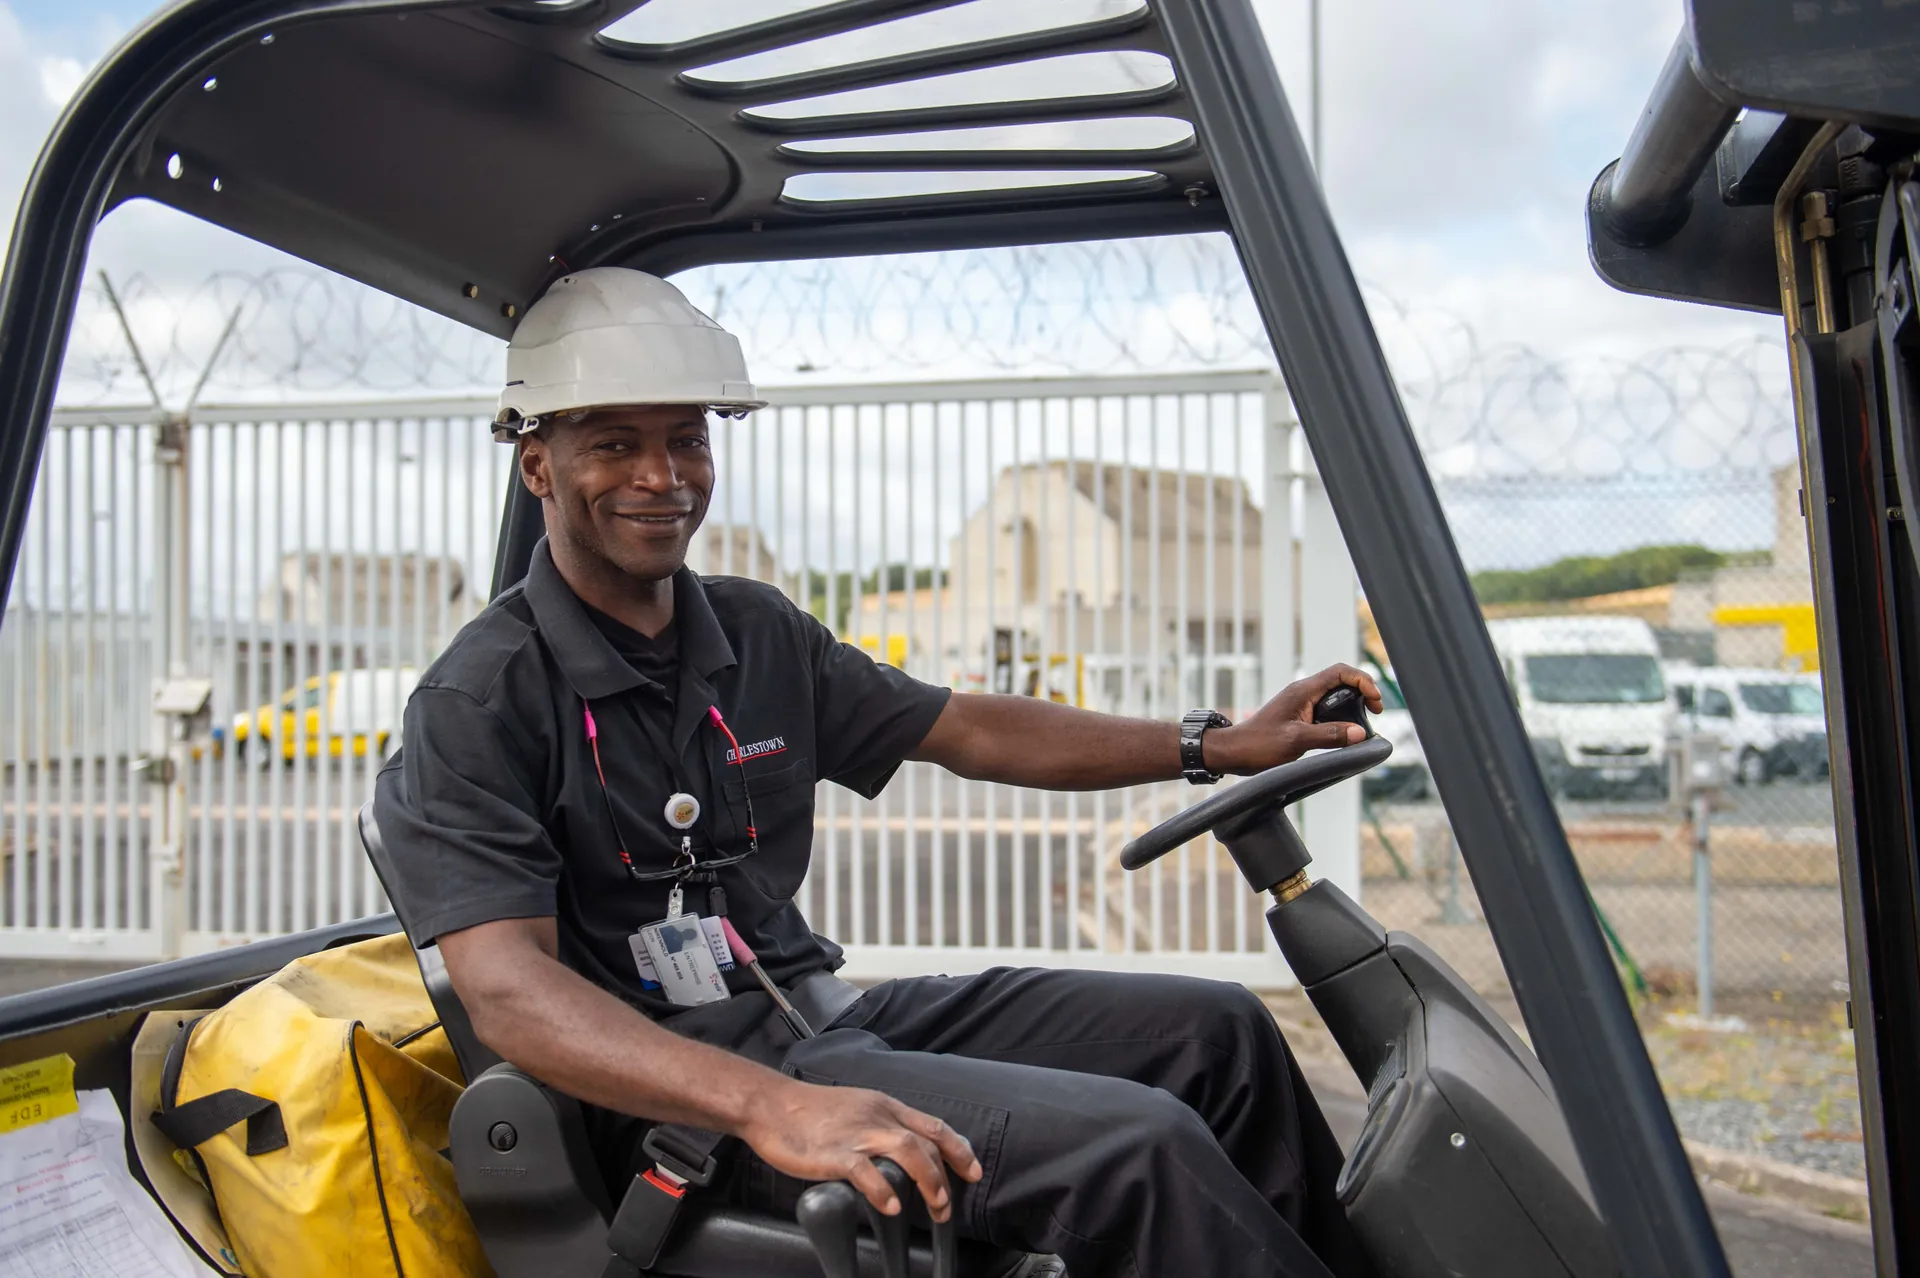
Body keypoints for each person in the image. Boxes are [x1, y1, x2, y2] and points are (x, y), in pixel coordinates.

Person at [374, 267, 1383, 1278]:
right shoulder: (479, 702)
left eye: (686, 439)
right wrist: (769, 1104)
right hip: (687, 1110)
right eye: (613, 445)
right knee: (1137, 1148)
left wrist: (1215, 744)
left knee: (1220, 1034)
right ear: (538, 466)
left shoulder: (756, 632)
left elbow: (968, 729)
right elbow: (508, 991)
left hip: (828, 1023)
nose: (662, 476)